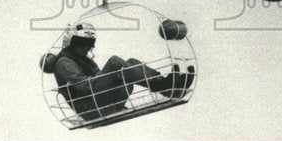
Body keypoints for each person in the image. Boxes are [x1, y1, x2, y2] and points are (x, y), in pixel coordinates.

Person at [53, 22, 193, 121]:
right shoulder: (64, 62)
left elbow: (99, 79)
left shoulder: (83, 59)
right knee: (115, 62)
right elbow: (86, 87)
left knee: (130, 63)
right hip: (90, 108)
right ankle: (162, 86)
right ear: (71, 43)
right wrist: (112, 72)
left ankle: (166, 84)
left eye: (89, 44)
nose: (85, 47)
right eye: (80, 43)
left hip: (101, 101)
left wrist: (115, 74)